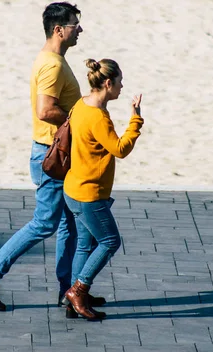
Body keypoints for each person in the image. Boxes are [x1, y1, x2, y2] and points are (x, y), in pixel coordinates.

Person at [0, 2, 106, 312]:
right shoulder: (52, 65)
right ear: (59, 30)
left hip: (57, 154)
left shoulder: (53, 59)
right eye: (75, 25)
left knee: (69, 224)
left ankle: (69, 292)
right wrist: (79, 122)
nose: (80, 30)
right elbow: (45, 110)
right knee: (45, 223)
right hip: (52, 156)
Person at [61, 58, 144, 320]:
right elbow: (120, 149)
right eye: (119, 82)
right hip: (89, 194)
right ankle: (78, 289)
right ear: (108, 83)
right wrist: (136, 120)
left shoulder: (81, 105)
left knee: (85, 245)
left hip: (72, 188)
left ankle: (73, 298)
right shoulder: (98, 117)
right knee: (110, 241)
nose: (122, 87)